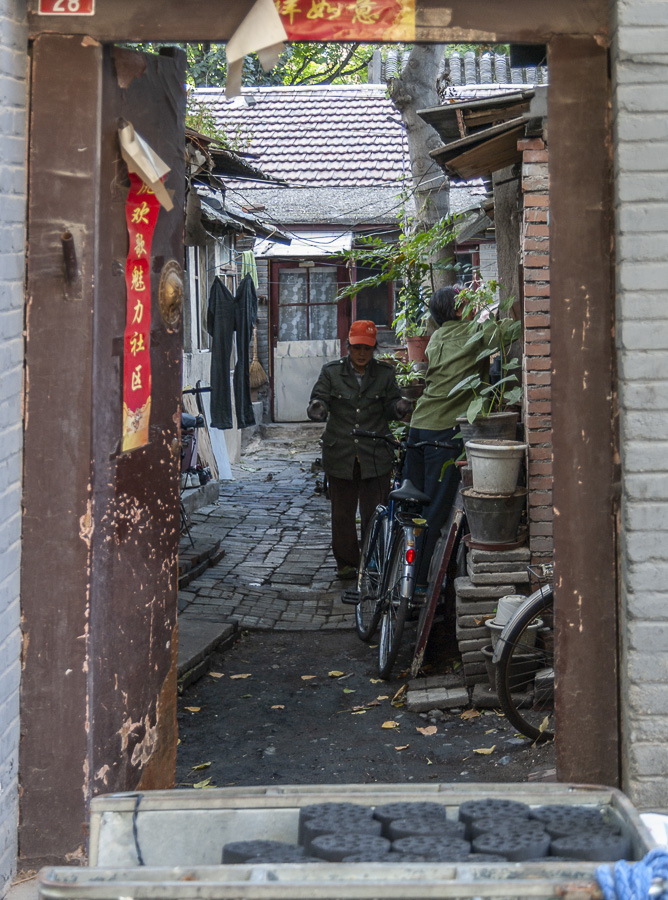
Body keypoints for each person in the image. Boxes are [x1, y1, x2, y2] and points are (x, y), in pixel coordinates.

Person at [307, 320, 412, 580]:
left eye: (367, 348)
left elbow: (391, 405)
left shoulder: (385, 374)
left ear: (373, 348)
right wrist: (318, 408)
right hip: (340, 452)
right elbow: (319, 398)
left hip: (375, 453)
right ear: (348, 348)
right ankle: (347, 563)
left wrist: (399, 407)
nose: (362, 354)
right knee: (342, 513)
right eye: (357, 348)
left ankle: (372, 560)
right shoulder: (331, 372)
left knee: (373, 511)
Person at [404, 285, 491, 589]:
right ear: (457, 311)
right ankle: (415, 585)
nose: (472, 307)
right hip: (443, 431)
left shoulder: (437, 337)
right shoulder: (474, 335)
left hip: (419, 424)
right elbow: (510, 332)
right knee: (435, 512)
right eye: (467, 304)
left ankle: (391, 566)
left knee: (409, 506)